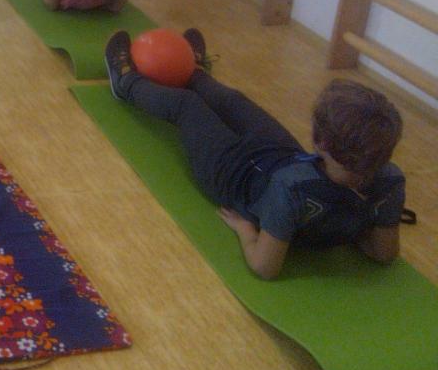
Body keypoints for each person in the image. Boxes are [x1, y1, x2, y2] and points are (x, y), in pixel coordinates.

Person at [104, 28, 406, 280]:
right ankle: (193, 72)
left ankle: (127, 83)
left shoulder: (293, 189)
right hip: (282, 157)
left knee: (186, 106)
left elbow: (265, 267)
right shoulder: (389, 179)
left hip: (230, 172)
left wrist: (246, 229)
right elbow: (384, 253)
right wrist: (346, 222)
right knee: (233, 101)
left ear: (320, 141)